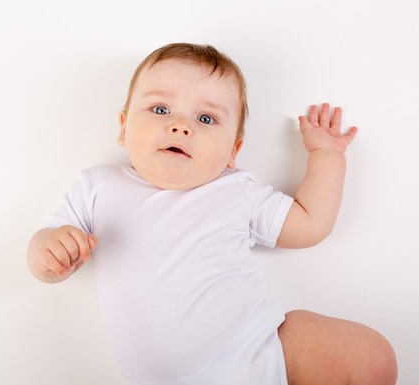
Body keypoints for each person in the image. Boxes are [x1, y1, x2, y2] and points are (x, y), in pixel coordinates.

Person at [27, 43, 398, 385]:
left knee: (371, 357)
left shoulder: (236, 190)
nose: (180, 125)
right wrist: (49, 250)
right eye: (160, 109)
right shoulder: (99, 186)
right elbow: (43, 254)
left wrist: (326, 156)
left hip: (260, 357)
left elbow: (310, 223)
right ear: (124, 127)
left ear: (233, 150)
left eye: (206, 119)